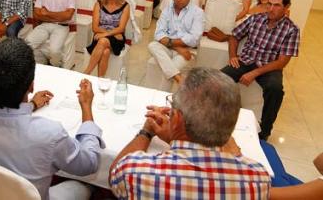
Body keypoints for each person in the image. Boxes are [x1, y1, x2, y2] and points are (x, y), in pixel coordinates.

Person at [0, 38, 104, 200]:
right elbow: (89, 163)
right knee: (84, 186)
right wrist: (86, 108)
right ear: (31, 86)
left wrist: (32, 105)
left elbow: (1, 113)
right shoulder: (49, 133)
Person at [109, 67, 271, 198]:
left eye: (173, 104)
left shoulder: (135, 171)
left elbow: (115, 175)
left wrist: (147, 131)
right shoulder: (259, 180)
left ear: (177, 118)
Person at [221, 0, 300, 141]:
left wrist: (254, 73)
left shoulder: (291, 29)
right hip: (246, 60)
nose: (271, 9)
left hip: (269, 66)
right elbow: (234, 36)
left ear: (286, 7)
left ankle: (264, 132)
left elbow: (283, 61)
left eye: (276, 5)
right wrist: (233, 56)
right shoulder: (256, 19)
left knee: (275, 90)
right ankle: (219, 117)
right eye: (269, 4)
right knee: (219, 78)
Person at [148, 0, 204, 84]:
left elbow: (194, 39)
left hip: (188, 51)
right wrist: (178, 48)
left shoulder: (198, 13)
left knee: (169, 70)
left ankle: (162, 98)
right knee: (152, 45)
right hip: (172, 47)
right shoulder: (167, 10)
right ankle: (178, 78)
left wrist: (170, 42)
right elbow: (158, 34)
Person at [26, 0, 75, 67]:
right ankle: (42, 63)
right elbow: (36, 13)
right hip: (44, 25)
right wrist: (57, 16)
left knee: (54, 50)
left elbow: (68, 16)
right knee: (28, 43)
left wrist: (47, 13)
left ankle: (55, 66)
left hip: (61, 27)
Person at [83, 0, 130, 77]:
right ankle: (100, 80)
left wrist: (105, 34)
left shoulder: (125, 6)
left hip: (115, 39)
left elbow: (121, 28)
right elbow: (94, 27)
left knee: (103, 41)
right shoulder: (98, 4)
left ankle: (86, 74)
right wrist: (110, 33)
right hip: (103, 35)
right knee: (106, 51)